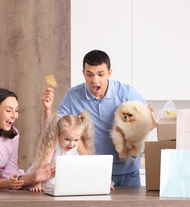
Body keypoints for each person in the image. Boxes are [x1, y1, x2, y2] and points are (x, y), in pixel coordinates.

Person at [41, 50, 155, 187]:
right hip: (94, 172)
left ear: (109, 73)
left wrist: (132, 134)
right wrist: (47, 108)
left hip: (128, 173)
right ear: (83, 73)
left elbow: (151, 120)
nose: (95, 80)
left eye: (101, 74)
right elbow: (53, 129)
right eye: (90, 75)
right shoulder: (73, 95)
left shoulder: (126, 92)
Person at [26, 110, 94, 192]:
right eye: (67, 139)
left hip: (68, 181)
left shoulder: (78, 142)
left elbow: (88, 162)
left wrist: (98, 183)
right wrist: (38, 185)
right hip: (49, 179)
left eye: (75, 140)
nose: (71, 144)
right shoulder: (54, 142)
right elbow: (43, 165)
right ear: (58, 134)